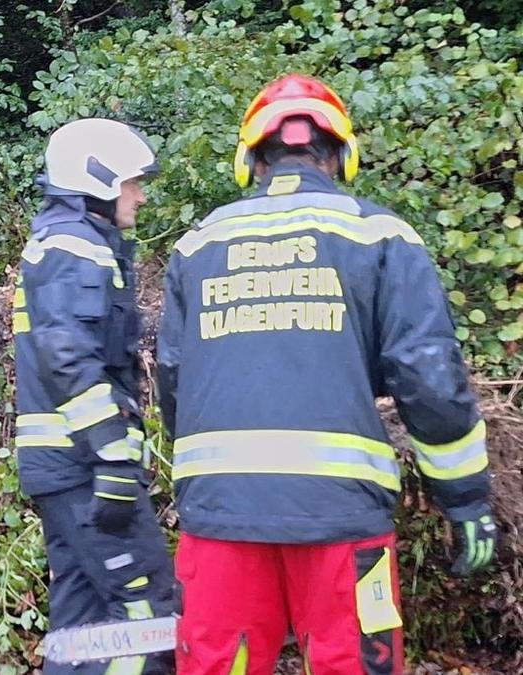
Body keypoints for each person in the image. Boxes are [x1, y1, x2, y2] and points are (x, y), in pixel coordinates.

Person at [157, 73, 496, 675]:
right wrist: (465, 497)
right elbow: (428, 376)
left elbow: (174, 378)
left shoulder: (198, 244)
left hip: (220, 512)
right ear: (341, 154)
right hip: (341, 513)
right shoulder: (379, 235)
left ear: (251, 160)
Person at [12, 118, 178, 674]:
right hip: (83, 465)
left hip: (65, 467)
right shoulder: (73, 246)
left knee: (82, 622)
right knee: (147, 617)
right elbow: (67, 355)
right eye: (132, 182)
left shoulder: (70, 242)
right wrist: (111, 451)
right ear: (98, 180)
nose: (141, 194)